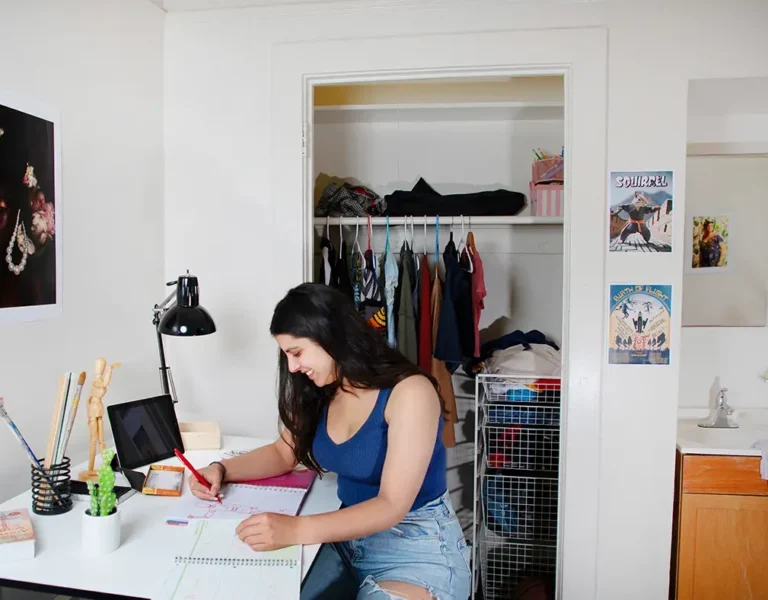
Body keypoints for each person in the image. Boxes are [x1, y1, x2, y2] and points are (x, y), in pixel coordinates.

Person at [189, 283, 471, 600]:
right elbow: (283, 453)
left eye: (296, 353)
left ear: (330, 336)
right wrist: (219, 469)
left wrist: (293, 529)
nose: (293, 367)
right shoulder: (321, 391)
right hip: (345, 543)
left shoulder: (411, 393)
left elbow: (392, 505)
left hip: (416, 548)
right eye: (287, 356)